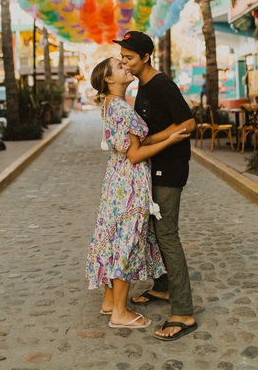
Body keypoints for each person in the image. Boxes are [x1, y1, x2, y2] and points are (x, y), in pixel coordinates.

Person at [86, 57, 191, 330]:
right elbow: (135, 154)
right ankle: (119, 313)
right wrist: (169, 140)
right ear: (109, 79)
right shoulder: (122, 109)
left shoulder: (111, 105)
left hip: (115, 181)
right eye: (119, 66)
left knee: (112, 239)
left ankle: (110, 300)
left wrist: (162, 134)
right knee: (125, 242)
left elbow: (133, 143)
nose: (126, 66)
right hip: (128, 185)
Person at [113, 30, 198, 341]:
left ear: (146, 57)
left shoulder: (161, 84)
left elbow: (188, 123)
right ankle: (162, 288)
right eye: (122, 57)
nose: (124, 62)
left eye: (129, 58)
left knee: (167, 234)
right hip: (153, 168)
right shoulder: (143, 86)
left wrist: (152, 139)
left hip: (170, 169)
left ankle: (184, 312)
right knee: (152, 229)